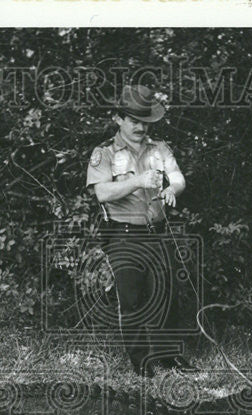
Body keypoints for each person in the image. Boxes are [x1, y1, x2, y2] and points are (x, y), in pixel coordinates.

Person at [86, 84, 193, 377]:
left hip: (157, 231)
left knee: (166, 290)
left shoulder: (159, 148)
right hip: (123, 234)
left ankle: (169, 355)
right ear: (119, 119)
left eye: (144, 121)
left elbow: (179, 178)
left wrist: (173, 188)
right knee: (131, 299)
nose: (139, 127)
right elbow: (102, 193)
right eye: (133, 120)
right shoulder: (104, 153)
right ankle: (140, 360)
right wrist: (138, 182)